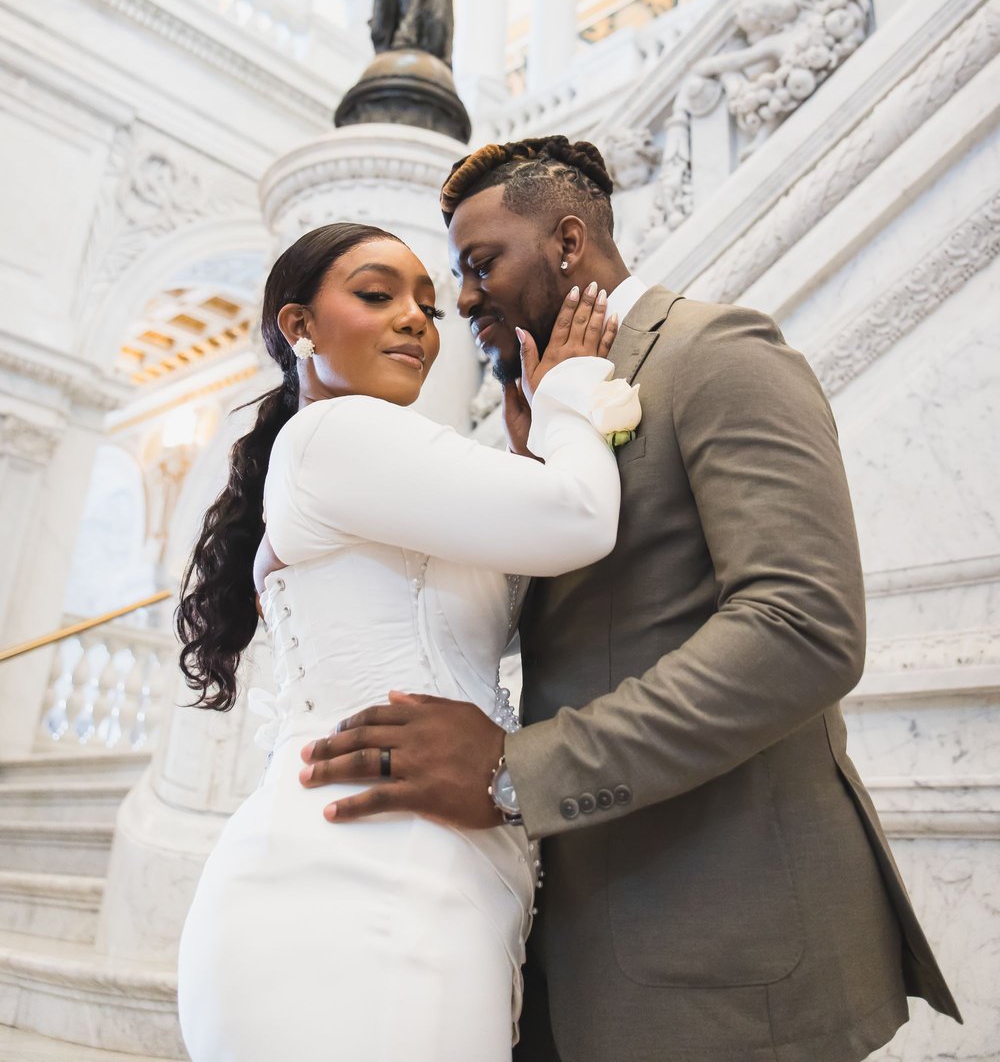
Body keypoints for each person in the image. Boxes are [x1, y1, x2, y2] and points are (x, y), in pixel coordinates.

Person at [302, 137, 961, 1062]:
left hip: (725, 941)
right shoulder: (548, 414)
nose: (464, 299)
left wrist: (514, 772)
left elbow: (802, 628)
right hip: (572, 941)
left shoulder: (714, 353)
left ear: (569, 242)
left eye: (481, 264)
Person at [175, 221, 625, 1062]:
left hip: (425, 870)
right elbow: (581, 518)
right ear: (300, 326)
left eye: (428, 305)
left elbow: (510, 582)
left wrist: (530, 453)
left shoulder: (373, 464)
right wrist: (569, 394)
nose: (417, 318)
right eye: (378, 295)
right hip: (353, 878)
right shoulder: (336, 435)